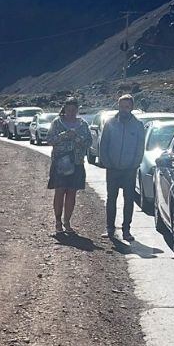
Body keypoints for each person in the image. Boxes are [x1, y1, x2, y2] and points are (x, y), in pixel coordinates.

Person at [98, 94, 146, 241]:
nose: (124, 109)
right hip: (112, 169)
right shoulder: (110, 123)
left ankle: (126, 230)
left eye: (127, 106)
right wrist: (106, 162)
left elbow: (140, 148)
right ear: (118, 106)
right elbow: (103, 145)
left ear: (131, 107)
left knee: (128, 199)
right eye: (122, 106)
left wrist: (134, 164)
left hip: (129, 170)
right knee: (111, 199)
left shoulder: (138, 125)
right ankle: (110, 229)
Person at [47, 98, 92, 236]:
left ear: (77, 110)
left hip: (77, 163)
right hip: (60, 163)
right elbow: (50, 140)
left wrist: (77, 137)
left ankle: (67, 222)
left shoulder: (83, 124)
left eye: (74, 110)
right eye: (69, 110)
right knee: (60, 191)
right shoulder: (57, 123)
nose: (71, 112)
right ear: (64, 109)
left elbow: (89, 142)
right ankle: (58, 222)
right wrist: (64, 135)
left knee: (72, 193)